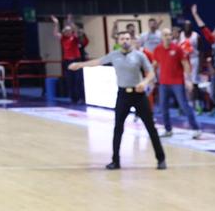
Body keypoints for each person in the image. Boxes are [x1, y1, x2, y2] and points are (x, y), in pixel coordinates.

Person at [69, 31, 167, 170]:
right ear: (118, 41)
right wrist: (79, 65)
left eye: (127, 38)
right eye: (122, 39)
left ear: (131, 40)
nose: (125, 41)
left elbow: (151, 72)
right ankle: (115, 161)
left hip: (139, 95)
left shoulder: (139, 55)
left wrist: (144, 83)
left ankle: (161, 159)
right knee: (118, 128)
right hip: (123, 95)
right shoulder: (114, 55)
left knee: (150, 127)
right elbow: (97, 62)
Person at [148, 28, 201, 139]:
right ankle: (168, 130)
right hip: (163, 83)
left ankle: (196, 129)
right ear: (161, 37)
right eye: (165, 35)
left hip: (177, 82)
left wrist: (188, 80)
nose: (168, 37)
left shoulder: (177, 49)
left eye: (169, 35)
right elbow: (154, 65)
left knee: (184, 105)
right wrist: (151, 80)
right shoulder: (158, 49)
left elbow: (185, 64)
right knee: (163, 107)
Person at [50, 15, 86, 104]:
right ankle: (73, 98)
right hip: (68, 61)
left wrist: (70, 22)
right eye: (66, 30)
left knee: (78, 80)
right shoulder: (63, 38)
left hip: (76, 60)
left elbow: (76, 30)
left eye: (69, 30)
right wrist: (56, 23)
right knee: (70, 81)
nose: (68, 32)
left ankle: (81, 98)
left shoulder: (74, 37)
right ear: (64, 32)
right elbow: (55, 33)